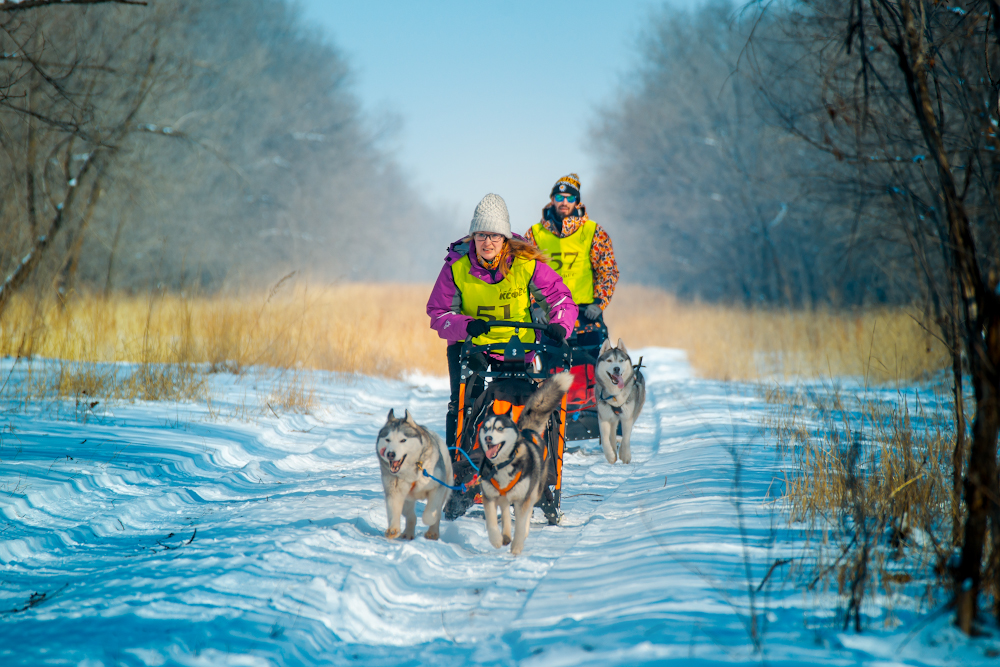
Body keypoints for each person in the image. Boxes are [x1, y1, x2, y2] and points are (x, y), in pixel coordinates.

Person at [426, 193, 579, 447]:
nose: (488, 242)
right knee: (463, 403)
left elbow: (560, 298)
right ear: (472, 236)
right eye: (481, 234)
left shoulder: (524, 263)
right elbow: (439, 312)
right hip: (472, 346)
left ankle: (524, 458)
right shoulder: (456, 266)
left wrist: (560, 325)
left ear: (505, 238)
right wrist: (465, 326)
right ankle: (461, 465)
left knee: (522, 402)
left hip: (516, 346)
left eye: (495, 235)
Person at [525, 173, 619, 344]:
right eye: (559, 197)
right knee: (550, 366)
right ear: (552, 199)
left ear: (577, 201)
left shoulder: (594, 231)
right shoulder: (535, 234)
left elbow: (608, 271)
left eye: (570, 198)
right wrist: (535, 306)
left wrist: (599, 303)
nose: (564, 202)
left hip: (586, 313)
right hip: (549, 313)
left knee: (589, 366)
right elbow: (525, 273)